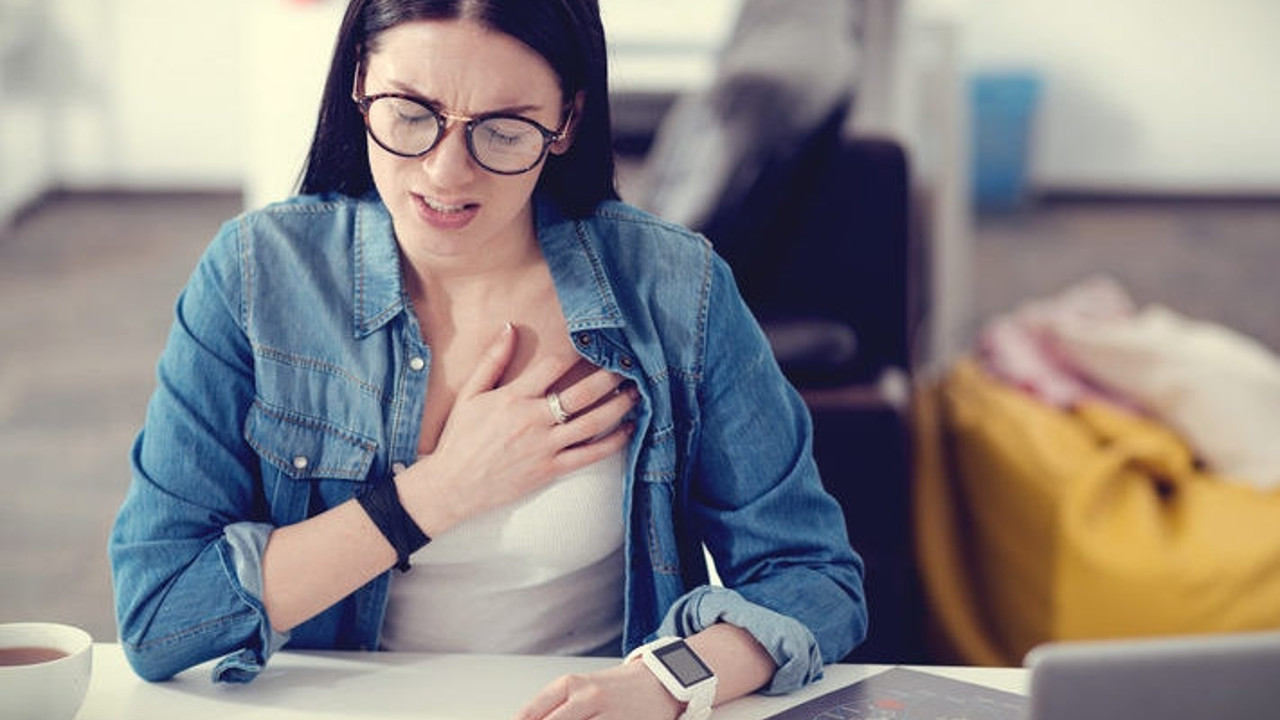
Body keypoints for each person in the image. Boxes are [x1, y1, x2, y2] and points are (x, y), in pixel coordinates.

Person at [108, 0, 867, 717]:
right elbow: (161, 613)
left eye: (502, 130)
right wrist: (435, 495)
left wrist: (666, 685)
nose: (445, 173)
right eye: (409, 114)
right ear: (359, 83)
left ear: (566, 119)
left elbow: (812, 578)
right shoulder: (256, 275)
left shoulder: (674, 289)